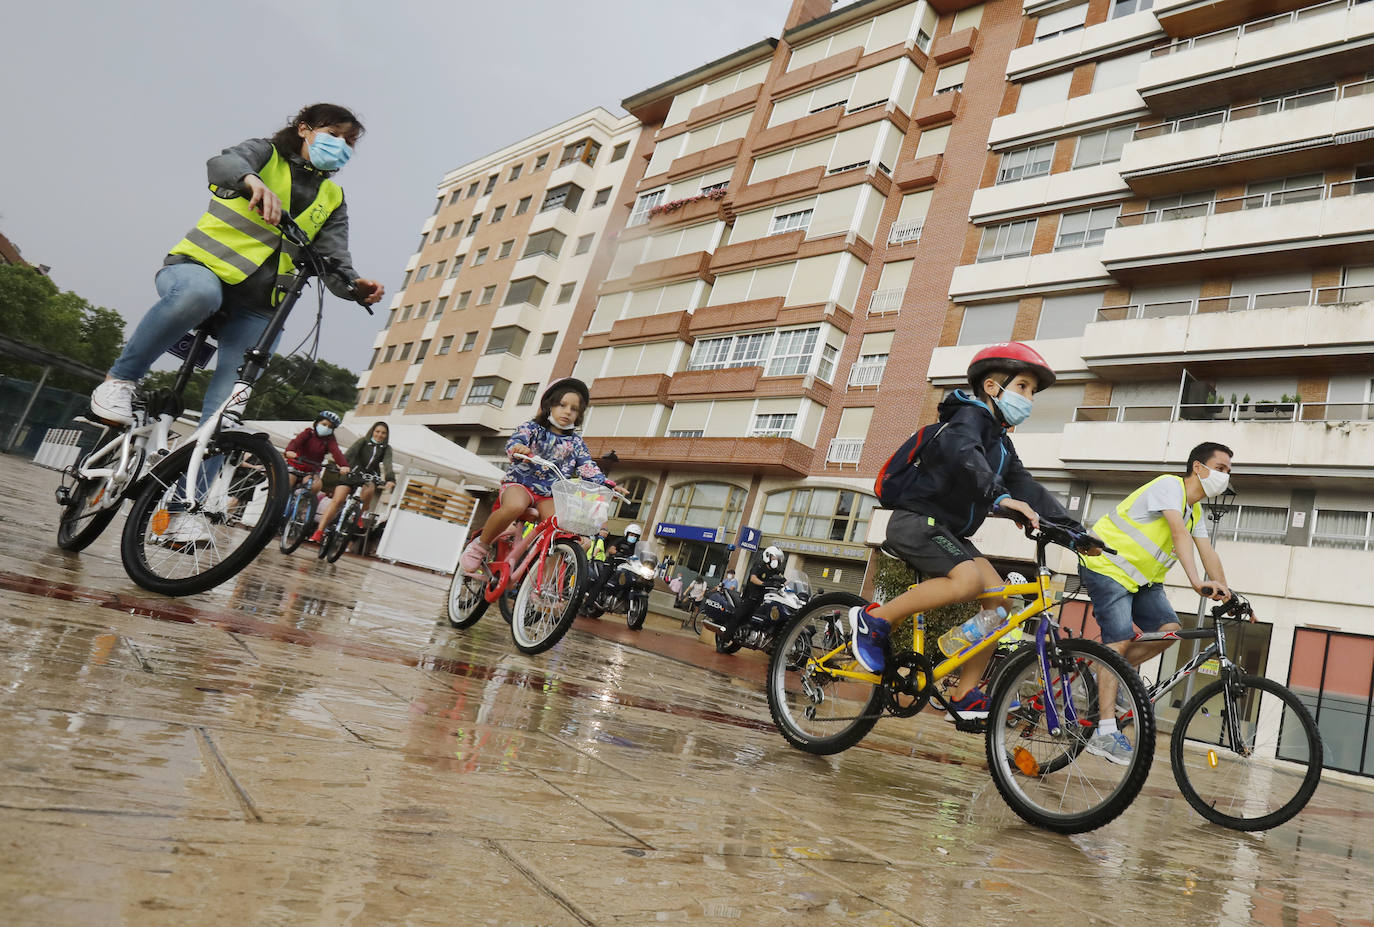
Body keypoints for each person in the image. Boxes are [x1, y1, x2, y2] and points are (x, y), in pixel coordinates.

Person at [90, 102, 385, 431]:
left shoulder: (332, 197)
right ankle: (119, 380)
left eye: (349, 142)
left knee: (224, 420)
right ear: (304, 129)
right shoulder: (265, 153)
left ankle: (199, 483)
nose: (341, 146)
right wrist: (251, 181)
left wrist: (354, 286)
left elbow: (334, 258)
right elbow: (224, 163)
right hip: (200, 269)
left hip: (259, 308)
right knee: (199, 296)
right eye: (334, 135)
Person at [848, 343, 1095, 720]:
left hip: (950, 533)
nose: (1029, 399)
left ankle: (964, 695)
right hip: (917, 521)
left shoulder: (1001, 443)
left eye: (1032, 391)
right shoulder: (965, 420)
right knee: (968, 582)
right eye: (1024, 387)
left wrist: (1076, 532)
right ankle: (875, 619)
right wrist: (1000, 498)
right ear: (993, 386)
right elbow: (966, 458)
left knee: (999, 603)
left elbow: (1028, 487)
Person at [1077, 442, 1241, 764]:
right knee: (1119, 640)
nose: (1224, 477)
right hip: (1107, 567)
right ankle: (1104, 731)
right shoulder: (1169, 486)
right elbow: (1179, 535)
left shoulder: (1195, 512)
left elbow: (1209, 553)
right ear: (1198, 467)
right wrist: (1196, 582)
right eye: (1220, 468)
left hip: (1140, 581)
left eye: (1228, 472)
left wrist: (1230, 595)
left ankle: (1109, 671)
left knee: (1169, 630)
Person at [458, 378, 609, 571]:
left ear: (579, 415)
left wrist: (606, 483)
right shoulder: (532, 429)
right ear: (549, 406)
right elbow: (514, 443)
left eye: (574, 408)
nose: (568, 411)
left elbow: (587, 466)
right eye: (562, 405)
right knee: (514, 506)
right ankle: (480, 546)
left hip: (549, 493)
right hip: (521, 484)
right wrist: (518, 448)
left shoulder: (576, 443)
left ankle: (543, 587)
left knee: (559, 528)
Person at [310, 420, 396, 544]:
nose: (380, 435)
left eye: (383, 433)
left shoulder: (387, 448)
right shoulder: (362, 441)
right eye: (377, 431)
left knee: (370, 489)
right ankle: (319, 532)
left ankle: (359, 514)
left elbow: (388, 463)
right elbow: (350, 453)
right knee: (337, 500)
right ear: (372, 431)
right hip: (352, 472)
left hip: (368, 476)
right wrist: (343, 465)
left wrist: (390, 478)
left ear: (386, 435)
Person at [720, 546, 785, 642]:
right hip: (751, 597)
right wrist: (764, 583)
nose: (776, 560)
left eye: (778, 559)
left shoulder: (776, 572)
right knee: (739, 616)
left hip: (763, 600)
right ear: (768, 556)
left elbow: (784, 580)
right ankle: (724, 637)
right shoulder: (759, 566)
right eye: (775, 557)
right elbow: (753, 578)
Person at [284, 412, 350, 496]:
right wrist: (290, 450)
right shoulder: (308, 433)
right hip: (295, 465)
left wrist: (343, 465)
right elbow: (296, 442)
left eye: (330, 427)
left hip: (312, 471)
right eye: (324, 424)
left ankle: (302, 506)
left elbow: (337, 452)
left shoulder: (330, 440)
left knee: (316, 486)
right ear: (316, 423)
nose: (326, 428)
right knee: (287, 483)